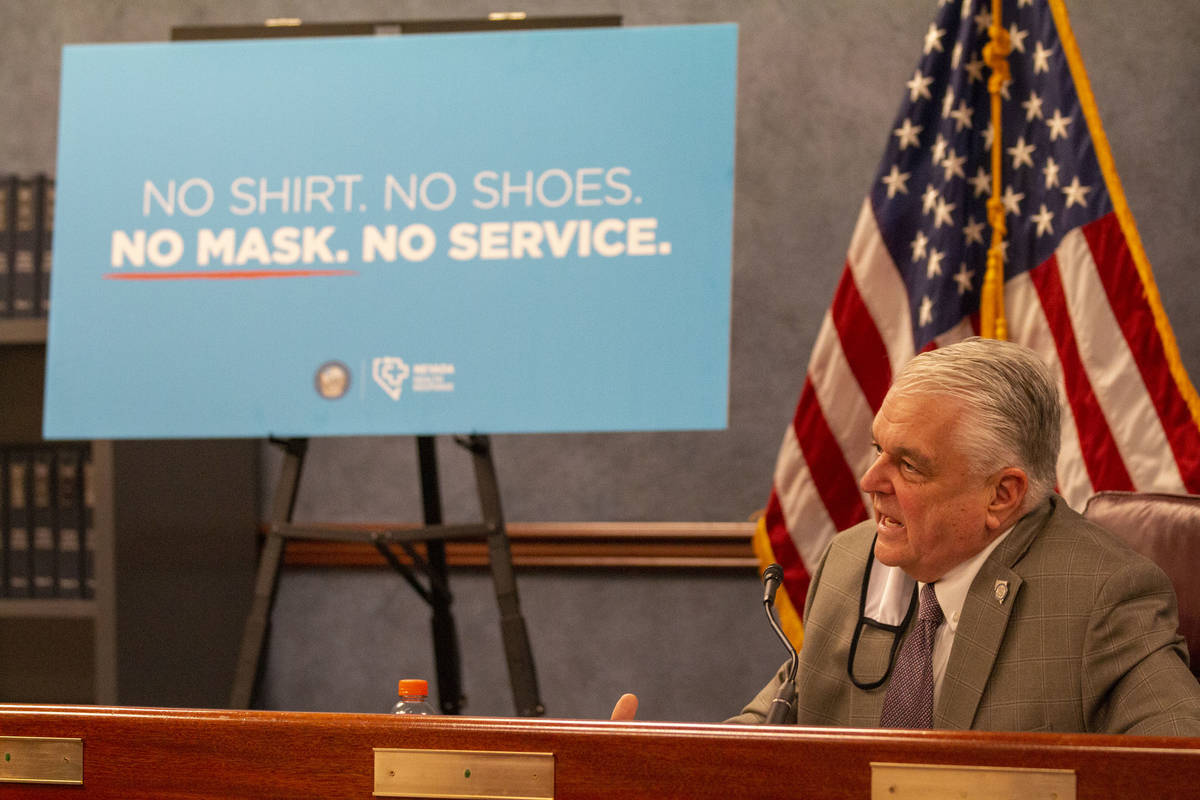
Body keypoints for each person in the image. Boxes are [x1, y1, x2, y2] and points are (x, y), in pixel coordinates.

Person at [613, 337, 1200, 734]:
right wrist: (658, 767)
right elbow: (771, 735)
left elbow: (1174, 767)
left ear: (1002, 494)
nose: (871, 481)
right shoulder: (849, 561)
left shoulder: (1103, 595)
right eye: (877, 450)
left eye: (910, 465)